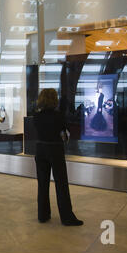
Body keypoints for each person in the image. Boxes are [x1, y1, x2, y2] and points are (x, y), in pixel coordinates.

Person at [33, 89, 83, 226]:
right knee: (61, 184)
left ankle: (43, 215)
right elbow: (65, 134)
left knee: (42, 184)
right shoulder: (59, 116)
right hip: (55, 150)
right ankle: (67, 217)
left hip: (40, 150)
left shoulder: (36, 116)